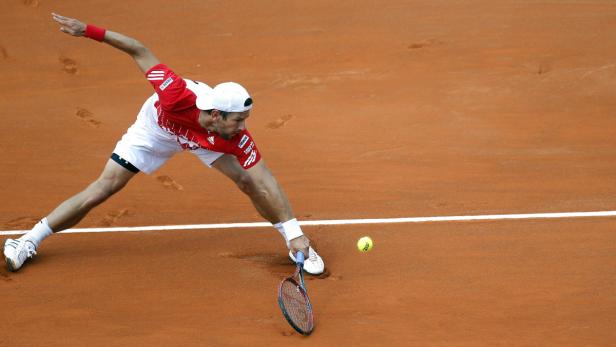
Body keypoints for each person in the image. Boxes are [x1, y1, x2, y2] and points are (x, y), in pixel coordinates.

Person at [3, 13, 325, 275]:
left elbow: (263, 177)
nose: (244, 126)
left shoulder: (233, 135)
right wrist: (87, 30)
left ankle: (294, 242)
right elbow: (139, 50)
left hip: (201, 140)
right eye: (238, 119)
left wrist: (296, 230)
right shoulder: (175, 95)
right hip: (156, 129)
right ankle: (28, 241)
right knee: (103, 188)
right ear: (216, 113)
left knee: (248, 181)